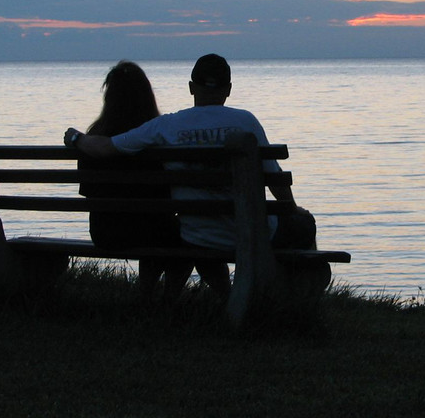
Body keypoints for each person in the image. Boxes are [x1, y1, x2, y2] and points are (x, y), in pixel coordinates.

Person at [64, 54, 315, 298]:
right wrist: (292, 209)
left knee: (195, 240)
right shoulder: (246, 122)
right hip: (250, 234)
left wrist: (76, 138)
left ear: (191, 87)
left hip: (196, 236)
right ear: (228, 89)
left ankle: (205, 298)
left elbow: (106, 147)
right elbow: (274, 178)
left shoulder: (166, 126)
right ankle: (302, 296)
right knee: (305, 224)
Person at [78, 60, 192, 303]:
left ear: (109, 97)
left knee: (157, 227)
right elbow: (171, 193)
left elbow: (87, 191)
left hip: (105, 233)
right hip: (153, 230)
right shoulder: (156, 138)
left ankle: (146, 297)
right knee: (189, 236)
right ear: (148, 96)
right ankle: (168, 300)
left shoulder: (93, 140)